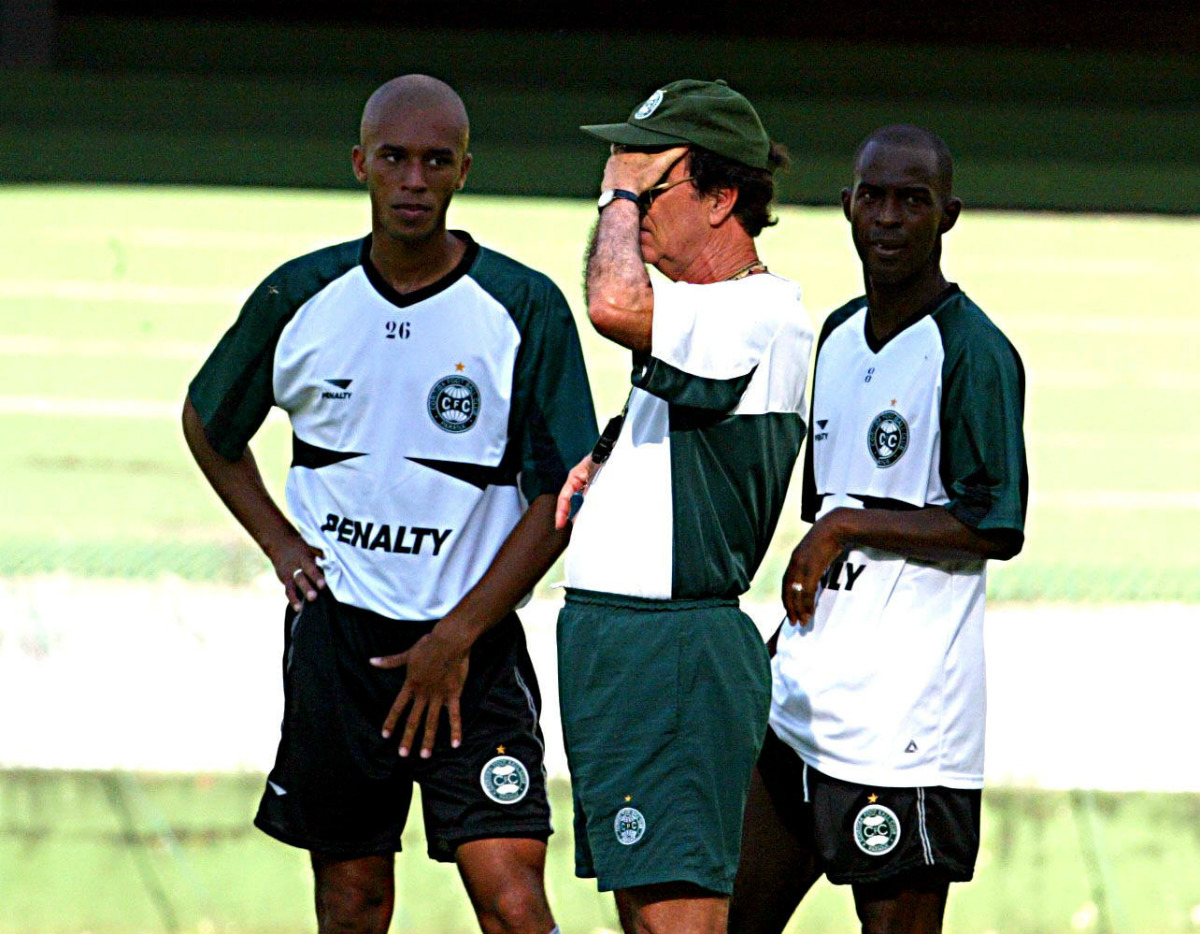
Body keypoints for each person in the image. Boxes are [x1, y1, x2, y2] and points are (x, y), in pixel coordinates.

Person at [181, 75, 597, 934]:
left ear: (464, 171)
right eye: (396, 158)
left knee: (515, 900)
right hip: (340, 646)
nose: (415, 179)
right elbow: (207, 422)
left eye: (436, 161)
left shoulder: (523, 307)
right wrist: (280, 543)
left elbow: (563, 492)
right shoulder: (298, 297)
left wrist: (456, 637)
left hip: (471, 646)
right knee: (353, 898)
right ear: (360, 164)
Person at [728, 125, 1029, 934]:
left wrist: (847, 528)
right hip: (800, 705)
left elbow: (994, 522)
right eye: (874, 197)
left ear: (948, 216)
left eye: (912, 200)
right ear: (846, 206)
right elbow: (825, 508)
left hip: (904, 726)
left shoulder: (974, 352)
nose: (889, 218)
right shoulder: (834, 336)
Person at [554, 79, 815, 934]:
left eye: (645, 187)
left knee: (680, 920)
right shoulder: (705, 316)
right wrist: (608, 456)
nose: (622, 208)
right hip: (627, 650)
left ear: (722, 197)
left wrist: (618, 193)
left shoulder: (759, 307)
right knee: (647, 913)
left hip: (672, 653)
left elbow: (610, 304)